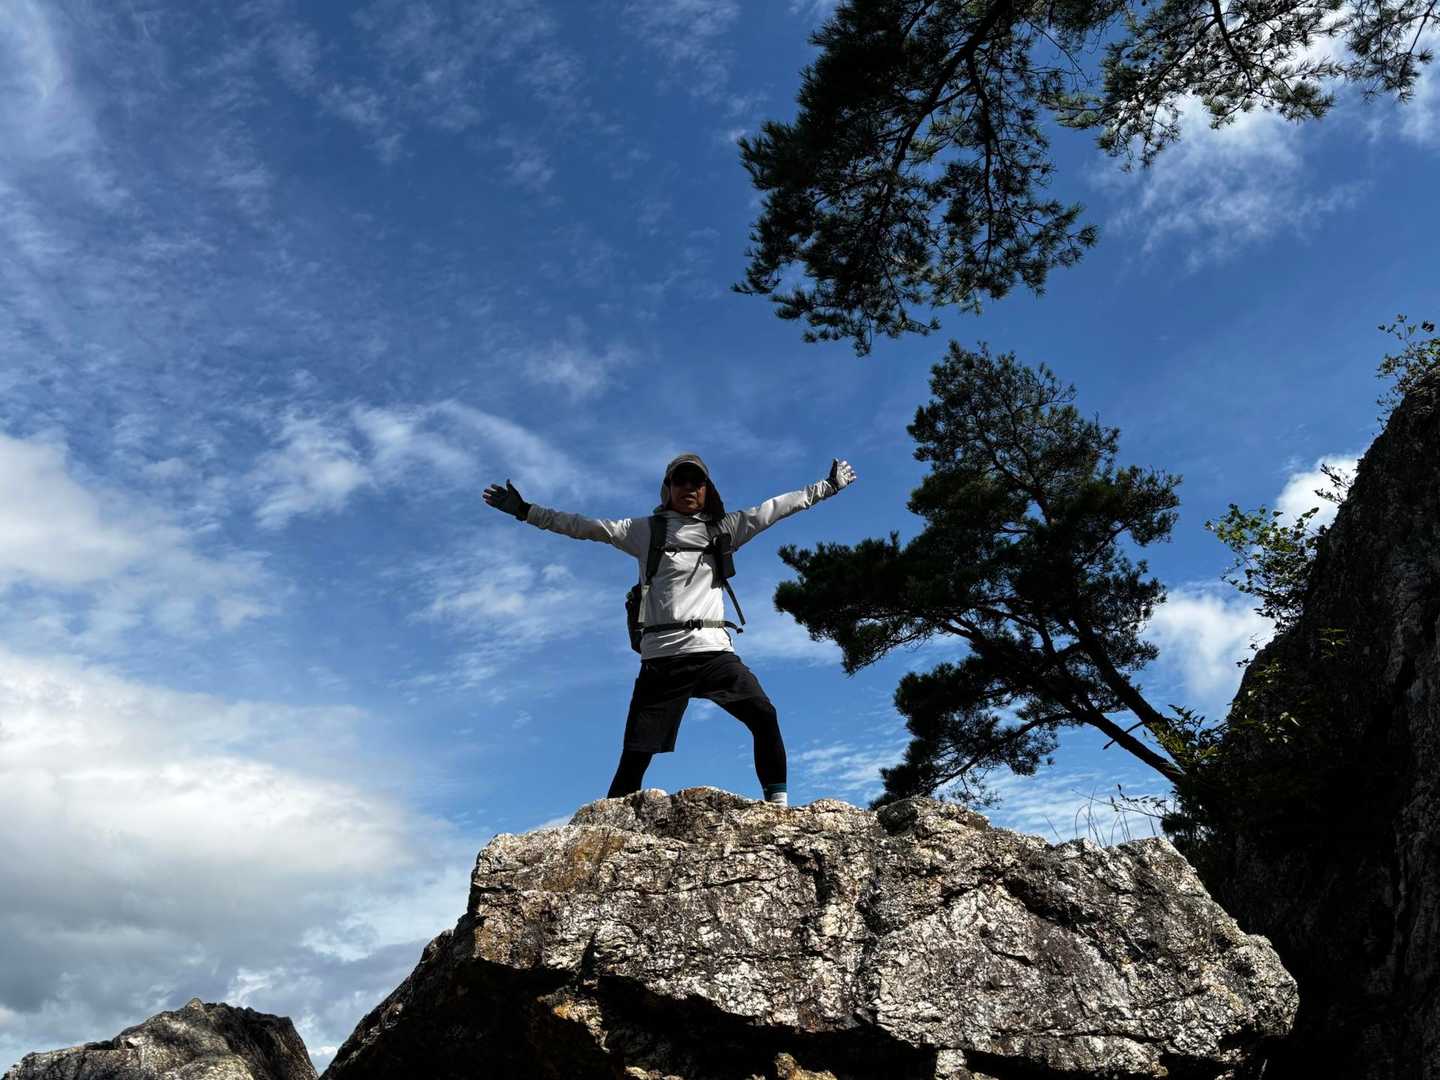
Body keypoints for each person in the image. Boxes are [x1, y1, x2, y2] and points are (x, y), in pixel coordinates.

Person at [482, 452, 857, 806]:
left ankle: (778, 809)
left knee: (763, 714)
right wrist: (525, 511)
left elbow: (775, 508)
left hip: (713, 651)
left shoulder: (725, 528)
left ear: (707, 490)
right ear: (668, 488)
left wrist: (827, 486)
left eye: (697, 482)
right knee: (636, 756)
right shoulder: (643, 531)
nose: (689, 488)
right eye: (681, 481)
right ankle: (604, 828)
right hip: (663, 658)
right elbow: (582, 526)